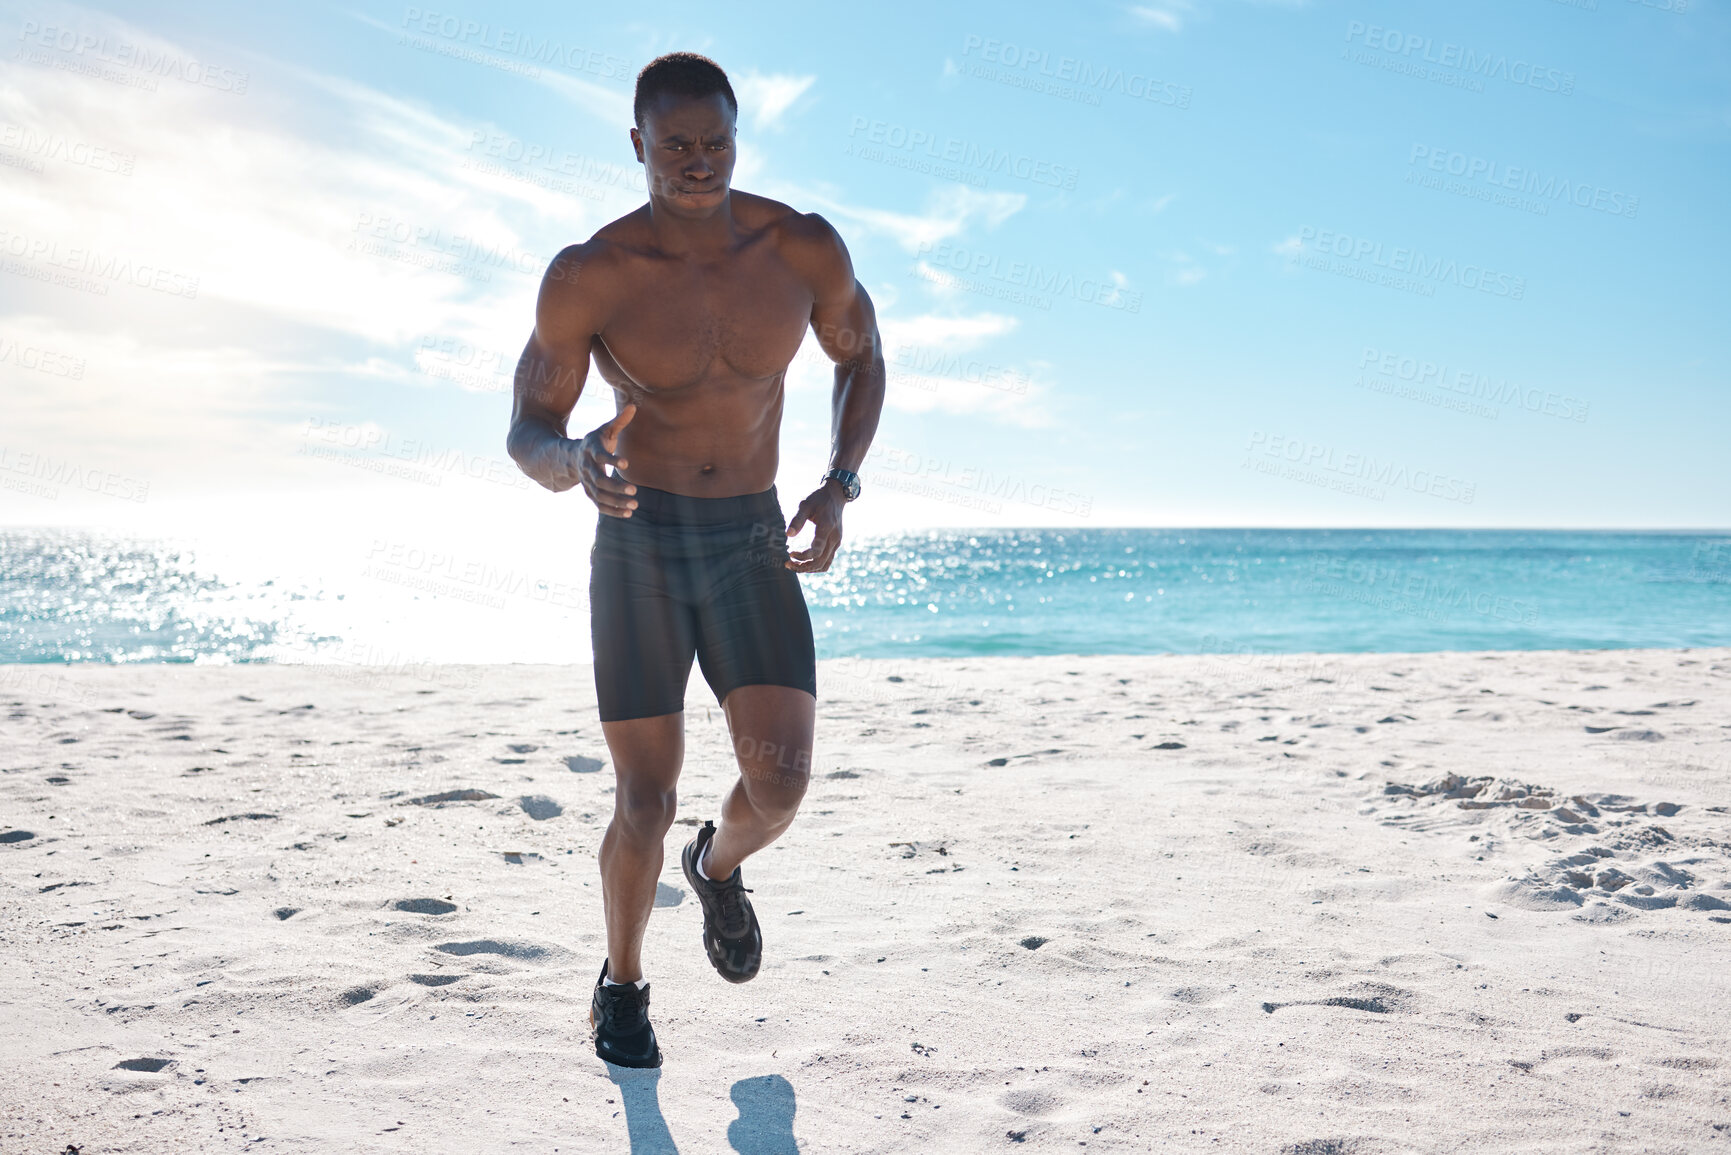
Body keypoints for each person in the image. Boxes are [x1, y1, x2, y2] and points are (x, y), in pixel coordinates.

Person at [505, 52, 885, 1069]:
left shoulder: (797, 246)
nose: (699, 162)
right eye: (675, 145)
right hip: (642, 544)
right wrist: (574, 459)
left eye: (716, 141)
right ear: (638, 146)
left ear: (736, 136)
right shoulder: (591, 274)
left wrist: (839, 484)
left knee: (782, 787)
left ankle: (716, 870)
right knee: (645, 795)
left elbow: (862, 355)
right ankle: (623, 984)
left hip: (751, 535)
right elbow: (529, 429)